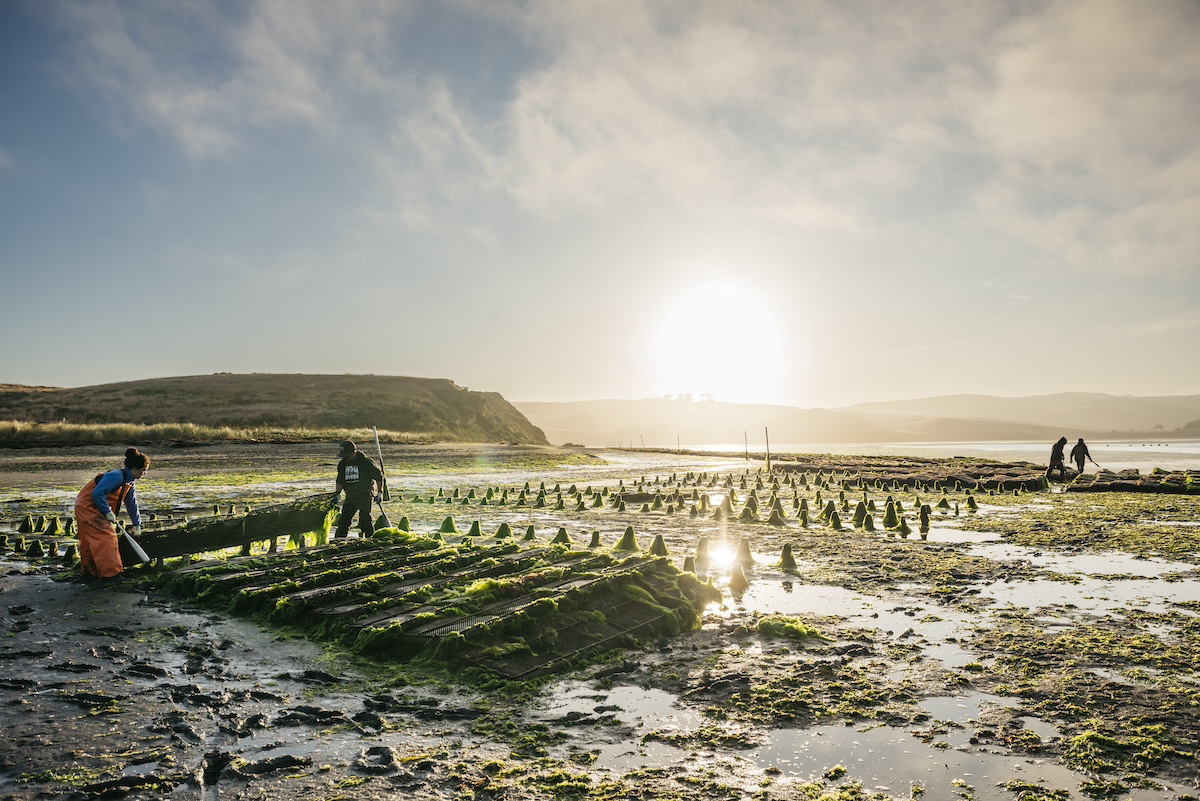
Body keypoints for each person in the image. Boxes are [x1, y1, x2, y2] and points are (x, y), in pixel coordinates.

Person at [73, 447, 149, 580]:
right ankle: (111, 574)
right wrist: (107, 512)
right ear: (135, 468)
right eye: (144, 470)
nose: (144, 474)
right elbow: (97, 493)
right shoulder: (116, 476)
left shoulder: (129, 482)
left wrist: (137, 524)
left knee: (90, 539)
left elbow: (132, 504)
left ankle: (91, 572)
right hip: (87, 506)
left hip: (94, 507)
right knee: (106, 536)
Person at [333, 440, 384, 539]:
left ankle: (370, 539)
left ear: (353, 453)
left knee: (365, 519)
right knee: (343, 522)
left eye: (346, 456)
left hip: (364, 495)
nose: (345, 458)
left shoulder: (365, 462)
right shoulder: (342, 465)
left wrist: (379, 493)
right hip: (350, 496)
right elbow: (339, 481)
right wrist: (337, 494)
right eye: (343, 456)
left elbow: (379, 477)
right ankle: (339, 541)